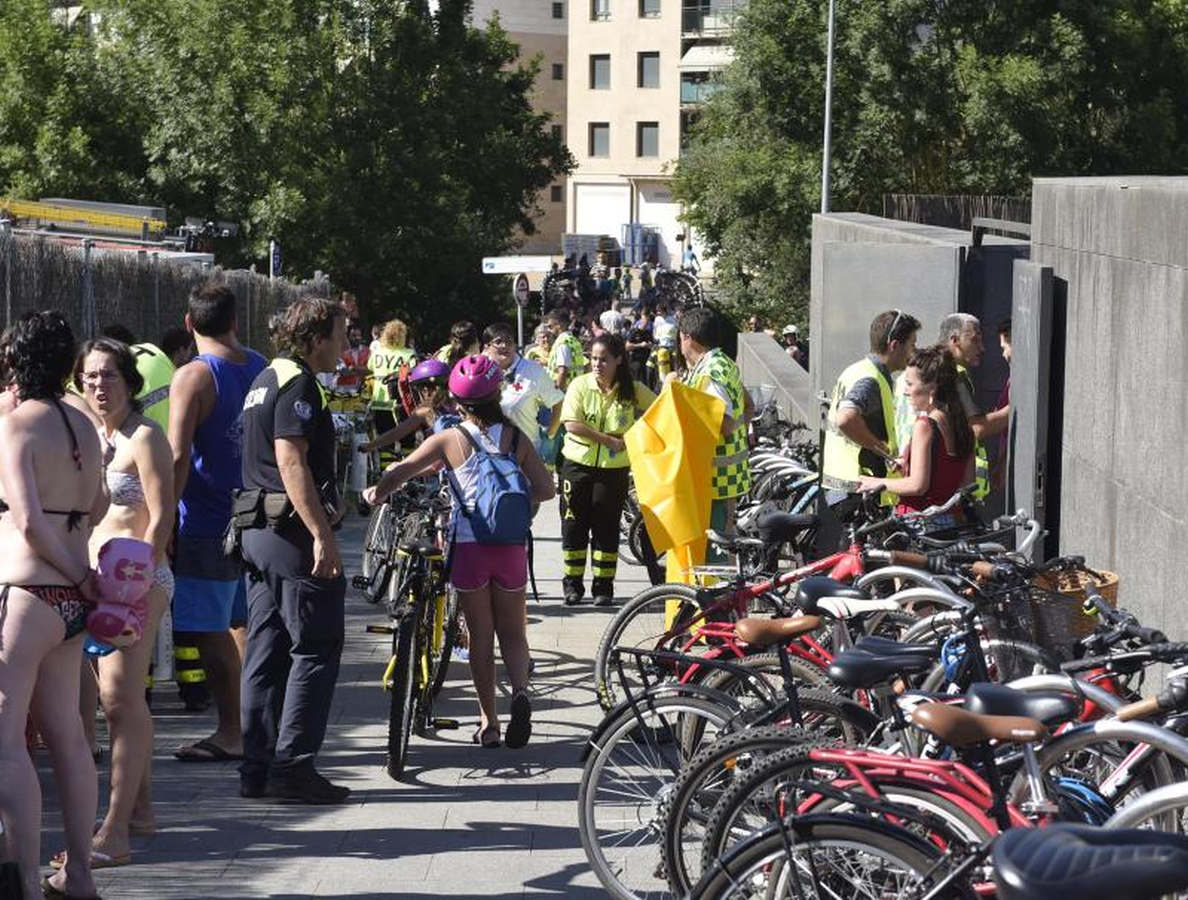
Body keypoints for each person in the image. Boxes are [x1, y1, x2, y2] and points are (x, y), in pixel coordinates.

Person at [364, 355, 554, 747]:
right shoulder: (515, 437)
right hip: (511, 548)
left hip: (470, 547)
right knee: (514, 633)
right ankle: (520, 692)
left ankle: (489, 724)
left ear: (457, 400)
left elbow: (400, 471)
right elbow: (547, 489)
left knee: (480, 638)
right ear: (497, 394)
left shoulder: (449, 438)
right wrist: (519, 503)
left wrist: (376, 493)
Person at [0, 311, 105, 900]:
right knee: (68, 738)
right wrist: (82, 576)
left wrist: (74, 573)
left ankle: (24, 882)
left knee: (7, 744)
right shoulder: (83, 424)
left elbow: (27, 522)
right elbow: (98, 501)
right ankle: (80, 874)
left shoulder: (17, 425)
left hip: (28, 594)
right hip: (69, 606)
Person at [65, 338, 175, 869]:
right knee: (116, 702)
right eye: (89, 377)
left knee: (118, 700)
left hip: (137, 585)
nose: (98, 386)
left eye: (108, 375)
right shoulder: (91, 436)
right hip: (91, 584)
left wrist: (134, 586)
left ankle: (114, 833)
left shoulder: (146, 436)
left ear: (129, 381)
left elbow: (162, 516)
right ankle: (140, 811)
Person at [238, 296, 350, 803]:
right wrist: (322, 534)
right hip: (289, 535)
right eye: (340, 335)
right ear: (316, 338)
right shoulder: (298, 383)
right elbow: (290, 459)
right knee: (316, 646)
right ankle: (293, 768)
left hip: (256, 531)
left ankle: (256, 768)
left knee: (266, 650)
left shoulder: (265, 378)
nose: (345, 346)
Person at [168, 283, 268, 763]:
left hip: (206, 521)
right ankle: (257, 726)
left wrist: (163, 522)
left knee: (209, 631)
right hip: (257, 514)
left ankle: (233, 732)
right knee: (242, 624)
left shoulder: (193, 376)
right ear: (235, 320)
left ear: (189, 323)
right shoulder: (261, 366)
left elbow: (176, 455)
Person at [559, 334, 656, 606]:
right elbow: (571, 424)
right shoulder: (580, 385)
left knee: (606, 527)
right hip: (577, 465)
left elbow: (660, 410)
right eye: (593, 358)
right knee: (573, 525)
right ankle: (572, 585)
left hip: (613, 470)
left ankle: (603, 588)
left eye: (604, 360)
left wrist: (637, 435)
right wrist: (607, 440)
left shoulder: (632, 389)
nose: (597, 364)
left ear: (618, 360)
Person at [857, 346, 974, 524]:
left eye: (910, 384)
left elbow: (918, 485)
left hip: (919, 523)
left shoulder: (924, 426)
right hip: (951, 523)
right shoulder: (964, 428)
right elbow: (966, 484)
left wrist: (876, 483)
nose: (906, 391)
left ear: (932, 390)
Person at [822, 309, 920, 496]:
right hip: (859, 487)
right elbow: (845, 419)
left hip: (839, 481)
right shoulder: (871, 379)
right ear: (894, 345)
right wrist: (882, 449)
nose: (914, 351)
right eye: (912, 344)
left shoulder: (855, 370)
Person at [677, 308, 751, 542]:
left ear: (687, 337)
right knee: (724, 542)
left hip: (714, 480)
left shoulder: (709, 373)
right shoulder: (724, 363)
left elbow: (724, 425)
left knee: (715, 549)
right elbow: (748, 405)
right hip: (727, 476)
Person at [938, 312, 1009, 500]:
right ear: (954, 340)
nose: (982, 348)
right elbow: (977, 428)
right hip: (953, 484)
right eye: (975, 340)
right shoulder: (954, 373)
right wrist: (1017, 407)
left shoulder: (923, 370)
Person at [483, 322, 563, 456]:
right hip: (491, 452)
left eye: (509, 341)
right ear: (487, 347)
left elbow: (558, 401)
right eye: (498, 342)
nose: (504, 345)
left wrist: (550, 435)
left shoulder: (533, 370)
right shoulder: (480, 373)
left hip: (526, 452)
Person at [362, 358, 457, 453]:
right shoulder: (458, 403)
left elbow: (398, 432)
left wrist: (370, 445)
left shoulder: (425, 411)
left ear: (425, 389)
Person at [367, 319, 417, 438]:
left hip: (380, 401)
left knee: (384, 439)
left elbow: (370, 367)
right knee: (406, 439)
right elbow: (414, 374)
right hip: (401, 401)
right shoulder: (409, 353)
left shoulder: (377, 352)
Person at [545, 309, 587, 392]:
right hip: (574, 389)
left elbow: (562, 371)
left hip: (564, 391)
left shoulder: (562, 343)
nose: (548, 330)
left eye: (550, 326)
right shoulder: (573, 340)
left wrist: (557, 393)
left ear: (559, 325)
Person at [625, 309, 654, 388]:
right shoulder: (634, 332)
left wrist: (650, 345)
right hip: (636, 361)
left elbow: (652, 345)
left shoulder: (648, 333)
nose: (646, 323)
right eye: (644, 320)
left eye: (647, 321)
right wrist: (640, 345)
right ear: (641, 320)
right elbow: (627, 346)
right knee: (636, 383)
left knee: (646, 384)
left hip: (646, 361)